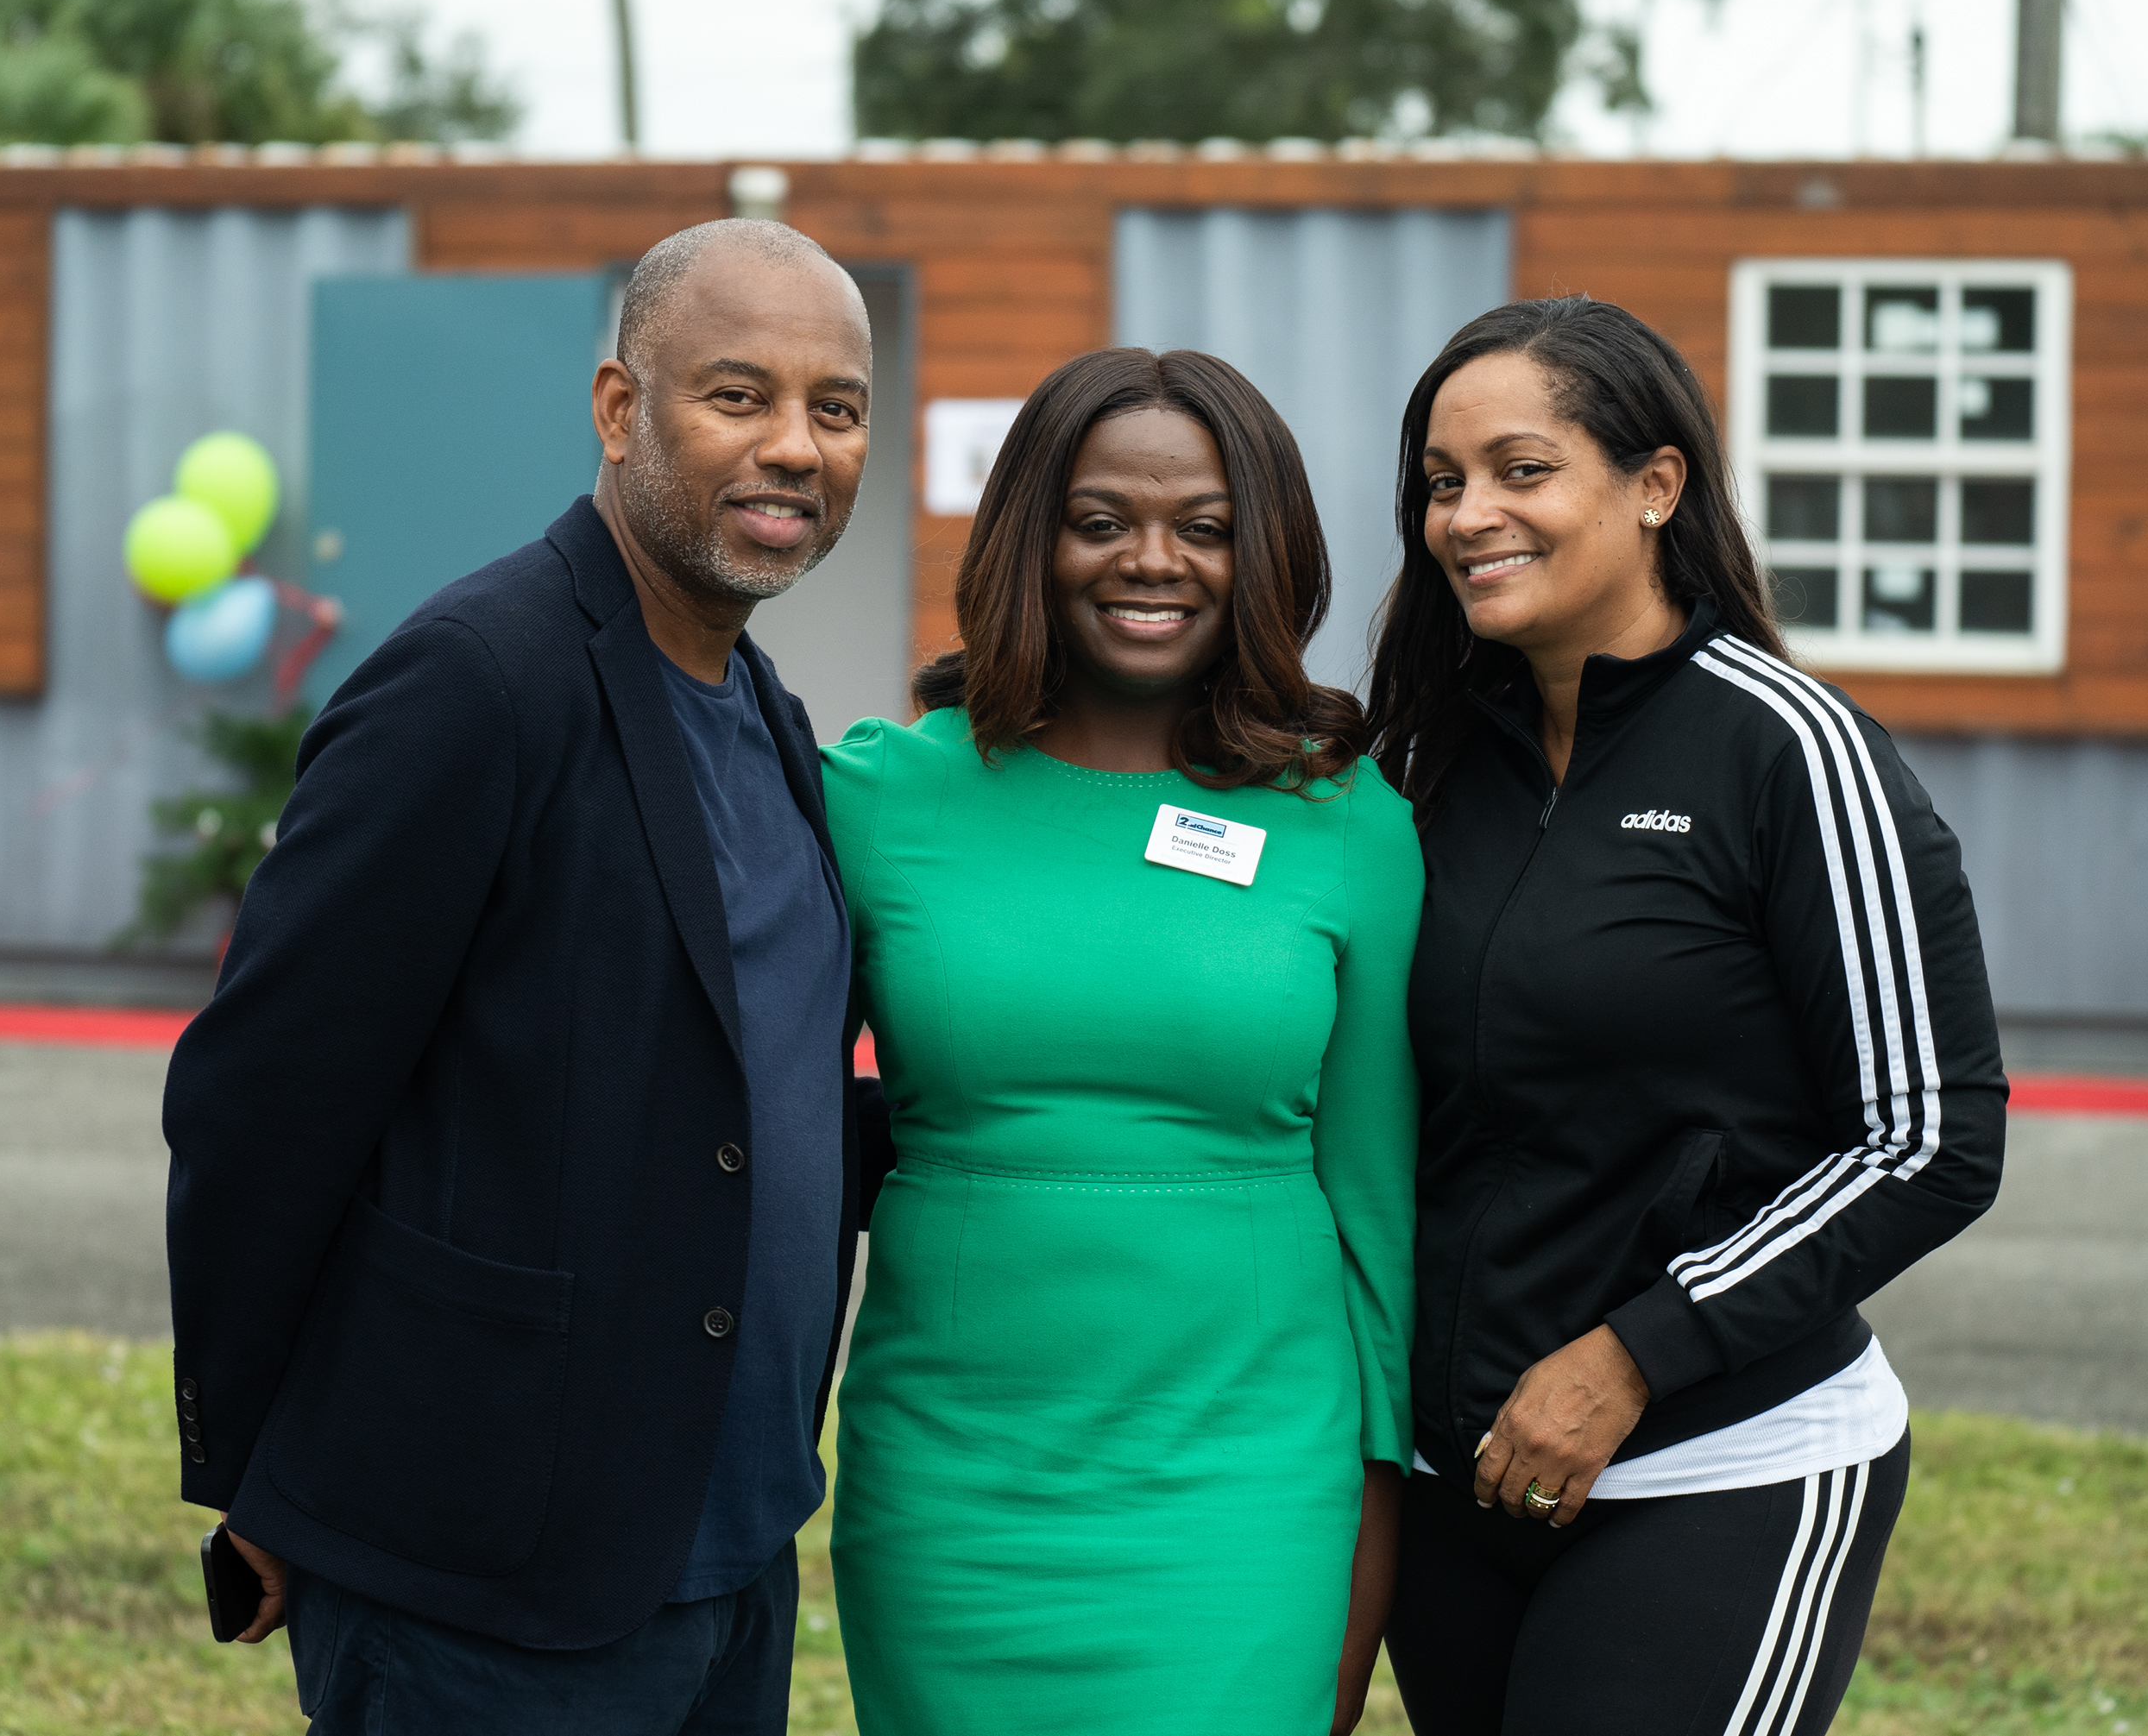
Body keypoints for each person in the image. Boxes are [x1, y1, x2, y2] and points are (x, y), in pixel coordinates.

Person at [162, 217, 891, 1733]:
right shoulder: (477, 679)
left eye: (836, 407)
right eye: (739, 395)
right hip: (480, 1579)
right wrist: (257, 1471)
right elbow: (260, 1097)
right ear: (621, 410)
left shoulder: (766, 713)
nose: (795, 446)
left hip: (732, 1556)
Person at [1365, 297, 2006, 1736]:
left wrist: (1636, 1351)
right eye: (1443, 481)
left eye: (1523, 470)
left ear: (1656, 485)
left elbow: (1931, 1137)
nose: (1468, 515)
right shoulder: (1425, 763)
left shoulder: (1791, 752)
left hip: (1725, 1460)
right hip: (1462, 1477)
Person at [819, 348, 1421, 1735]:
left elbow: (1378, 1225)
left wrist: (1368, 1550)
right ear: (1032, 537)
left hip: (1247, 1488)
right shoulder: (878, 797)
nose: (1154, 560)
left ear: (1262, 551)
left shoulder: (1347, 821)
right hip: (952, 1490)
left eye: (1204, 525)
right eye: (1102, 520)